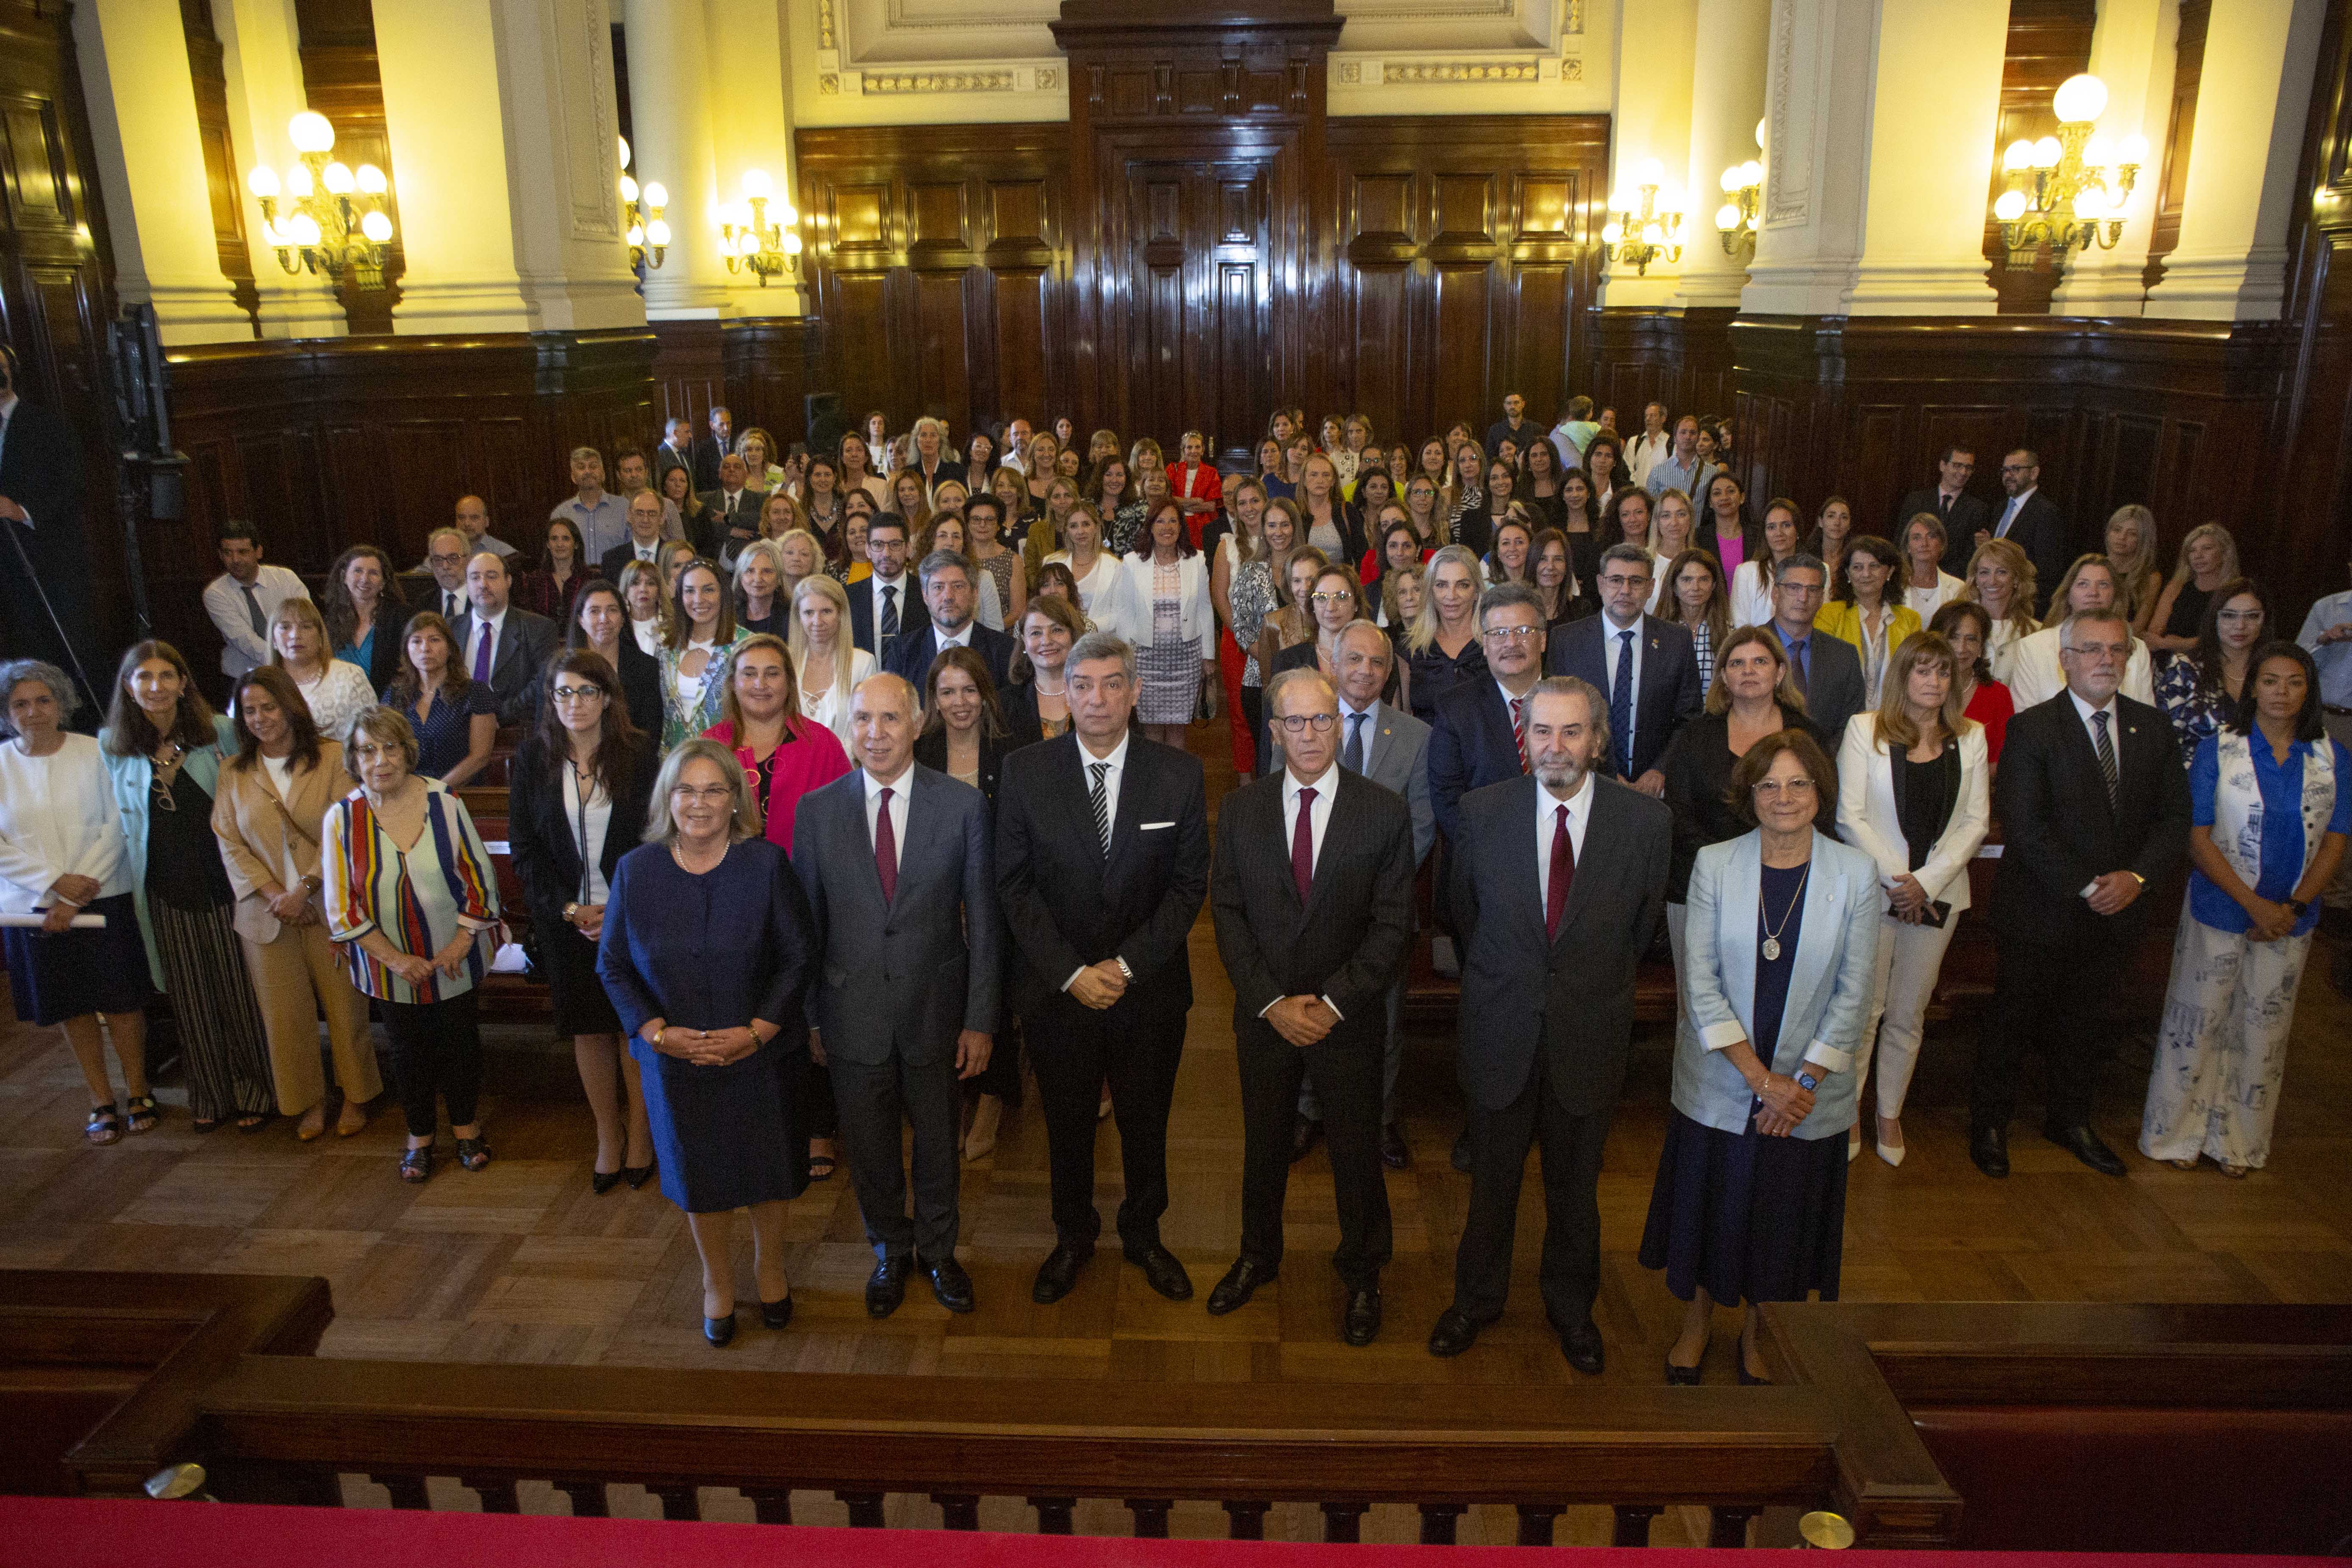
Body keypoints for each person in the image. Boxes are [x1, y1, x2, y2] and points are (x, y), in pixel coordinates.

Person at [1430, 677, 1671, 1370]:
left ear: (1596, 740)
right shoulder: (1480, 813)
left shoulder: (1645, 824)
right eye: (1541, 731)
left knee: (1573, 1192)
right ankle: (1473, 1301)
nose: (1555, 746)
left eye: (1571, 732)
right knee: (1491, 1186)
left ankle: (1572, 1310)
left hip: (1588, 1031)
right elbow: (1462, 913)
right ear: (1524, 738)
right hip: (1498, 1026)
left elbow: (1639, 928)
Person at [1641, 730, 1879, 1384]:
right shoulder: (1715, 863)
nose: (1783, 796)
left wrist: (1798, 1083)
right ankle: (1694, 1324)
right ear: (1748, 794)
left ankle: (1756, 1332)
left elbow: (1855, 992)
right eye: (1768, 784)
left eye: (1798, 783)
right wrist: (1759, 1080)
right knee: (1709, 1205)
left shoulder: (1854, 873)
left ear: (1819, 792)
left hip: (1808, 1088)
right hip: (1724, 1077)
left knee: (1780, 1217)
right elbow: (1701, 982)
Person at [997, 632, 1209, 1307]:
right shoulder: (1027, 771)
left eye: (1112, 683)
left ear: (1135, 691)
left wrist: (1120, 965)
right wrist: (1070, 973)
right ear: (1066, 691)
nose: (1096, 697)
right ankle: (1072, 1235)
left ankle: (1144, 1233)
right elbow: (1015, 887)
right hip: (1058, 993)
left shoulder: (1177, 775)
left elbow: (1187, 887)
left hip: (1146, 990)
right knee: (1064, 1122)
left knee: (1147, 1121)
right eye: (1082, 684)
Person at [1206, 667, 1414, 1343]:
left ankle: (1362, 1273)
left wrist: (1330, 1002)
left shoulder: (1382, 809)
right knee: (1264, 1145)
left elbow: (1391, 928)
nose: (1308, 733)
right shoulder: (1241, 810)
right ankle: (1257, 1256)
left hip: (1346, 1020)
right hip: (1264, 1017)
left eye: (1321, 719)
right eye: (1293, 721)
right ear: (1273, 730)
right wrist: (1270, 1001)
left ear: (1340, 723)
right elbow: (1228, 913)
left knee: (1355, 1154)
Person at [791, 672, 999, 1316]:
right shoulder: (818, 811)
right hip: (850, 1015)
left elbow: (985, 921)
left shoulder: (960, 807)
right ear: (848, 728)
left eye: (889, 719)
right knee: (873, 1148)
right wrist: (811, 1020)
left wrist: (980, 1018)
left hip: (937, 1013)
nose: (874, 734)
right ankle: (888, 1248)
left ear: (916, 723)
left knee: (939, 1143)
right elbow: (807, 929)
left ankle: (939, 1251)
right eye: (862, 720)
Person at [598, 737, 817, 1344]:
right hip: (676, 1062)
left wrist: (756, 1031)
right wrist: (657, 1034)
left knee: (769, 1172)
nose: (698, 802)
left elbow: (798, 959)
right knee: (701, 1177)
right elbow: (613, 965)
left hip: (762, 1056)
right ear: (668, 798)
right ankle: (716, 1280)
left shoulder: (767, 864)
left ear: (735, 799)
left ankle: (769, 1268)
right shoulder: (635, 871)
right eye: (686, 790)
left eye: (713, 789)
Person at [1971, 608, 2191, 1180]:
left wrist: (2134, 880)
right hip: (2041, 907)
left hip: (2119, 911)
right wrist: (2089, 884)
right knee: (2011, 1019)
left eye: (2116, 650)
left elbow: (2173, 820)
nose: (2104, 660)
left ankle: (2069, 1119)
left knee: (2086, 1022)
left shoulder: (2153, 727)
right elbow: (2024, 823)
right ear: (2064, 659)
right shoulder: (2032, 727)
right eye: (2091, 649)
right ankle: (1990, 1123)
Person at [2141, 642, 2346, 1175]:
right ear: (2252, 686)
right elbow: (2198, 836)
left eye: (2294, 682)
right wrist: (2254, 903)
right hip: (2221, 907)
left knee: (2263, 1032)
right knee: (2199, 1022)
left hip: (2290, 919)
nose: (2282, 693)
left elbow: (2335, 842)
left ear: (2309, 690)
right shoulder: (2219, 748)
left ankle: (2237, 1142)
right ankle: (2176, 1135)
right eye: (2271, 681)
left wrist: (2291, 907)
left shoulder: (2330, 756)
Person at [100, 641, 276, 1133]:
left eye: (166, 675)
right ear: (129, 688)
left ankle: (255, 1090)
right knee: (191, 1000)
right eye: (144, 677)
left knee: (239, 993)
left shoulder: (219, 731)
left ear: (183, 683)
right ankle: (210, 1094)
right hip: (163, 890)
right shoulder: (113, 747)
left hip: (225, 885)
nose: (155, 686)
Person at [321, 706, 503, 1181]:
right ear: (353, 759)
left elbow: (479, 879)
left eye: (390, 747)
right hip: (388, 967)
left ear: (407, 751)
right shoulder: (342, 819)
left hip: (454, 958)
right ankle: (419, 1135)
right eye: (367, 750)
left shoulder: (445, 801)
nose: (380, 760)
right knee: (408, 1050)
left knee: (460, 1043)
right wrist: (397, 960)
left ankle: (466, 1127)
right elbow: (342, 907)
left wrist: (461, 942)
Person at [1835, 631, 1991, 1167]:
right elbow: (1848, 815)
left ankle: (1889, 1111)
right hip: (1875, 893)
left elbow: (1976, 822)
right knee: (1863, 1009)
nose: (1933, 681)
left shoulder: (1970, 736)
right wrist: (1900, 880)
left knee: (1908, 1011)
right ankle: (1849, 1108)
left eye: (1942, 672)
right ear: (1902, 677)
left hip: (1940, 896)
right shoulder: (1866, 729)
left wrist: (1927, 882)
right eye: (1921, 670)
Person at [508, 652, 660, 1193]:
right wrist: (570, 909)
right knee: (588, 1029)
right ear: (550, 701)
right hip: (565, 921)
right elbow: (525, 849)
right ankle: (608, 1137)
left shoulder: (640, 754)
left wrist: (615, 908)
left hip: (631, 917)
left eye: (587, 691)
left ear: (608, 697)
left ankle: (643, 1137)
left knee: (632, 1029)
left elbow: (655, 838)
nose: (575, 703)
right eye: (564, 692)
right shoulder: (531, 759)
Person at [212, 666, 382, 1142]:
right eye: (250, 710)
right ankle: (308, 1099)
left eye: (270, 706)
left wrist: (305, 889)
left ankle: (356, 1094)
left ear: (291, 705)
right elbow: (228, 840)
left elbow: (349, 830)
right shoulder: (233, 770)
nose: (261, 717)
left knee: (345, 1007)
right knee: (284, 1016)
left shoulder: (330, 758)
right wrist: (275, 896)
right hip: (265, 915)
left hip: (330, 906)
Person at [0, 659, 156, 1143]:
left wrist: (79, 885)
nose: (33, 712)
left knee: (122, 999)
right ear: (7, 712)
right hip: (33, 906)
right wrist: (53, 885)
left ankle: (138, 1090)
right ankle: (100, 1098)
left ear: (61, 702)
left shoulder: (99, 751)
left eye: (43, 700)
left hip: (104, 894)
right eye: (20, 704)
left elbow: (119, 821)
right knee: (72, 1005)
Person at [1659, 625, 1830, 1008]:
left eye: (1760, 662)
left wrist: (1770, 867)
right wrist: (1735, 868)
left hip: (1788, 886)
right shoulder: (1694, 736)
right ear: (1723, 675)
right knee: (1702, 1006)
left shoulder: (1808, 736)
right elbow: (1679, 815)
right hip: (1702, 886)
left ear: (1780, 672)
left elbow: (1824, 811)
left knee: (1775, 1005)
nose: (1748, 670)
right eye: (1736, 663)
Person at [1545, 544, 1705, 796]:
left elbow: (1690, 718)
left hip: (1655, 791)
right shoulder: (1566, 641)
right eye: (1616, 580)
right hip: (1585, 785)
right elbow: (1556, 717)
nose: (1625, 591)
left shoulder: (1677, 641)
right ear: (1600, 584)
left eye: (1636, 581)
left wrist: (1661, 770)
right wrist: (1603, 774)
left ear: (1651, 587)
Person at [0, 348, 106, 706]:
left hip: (44, 562)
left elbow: (72, 484)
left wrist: (22, 510)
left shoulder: (44, 423)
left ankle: (71, 719)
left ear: (11, 373)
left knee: (56, 649)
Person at [1430, 583, 1553, 845]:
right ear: (1485, 644)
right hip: (1484, 859)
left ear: (1542, 639)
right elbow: (1448, 801)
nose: (1511, 643)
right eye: (1498, 633)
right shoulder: (1455, 709)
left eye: (1523, 631)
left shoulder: (1573, 700)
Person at [1105, 501, 1217, 748]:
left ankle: (1175, 785)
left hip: (1186, 657)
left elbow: (1205, 609)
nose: (1167, 527)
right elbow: (1125, 612)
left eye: (1173, 521)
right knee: (1152, 728)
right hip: (1145, 658)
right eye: (1160, 521)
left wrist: (1208, 657)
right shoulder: (1132, 562)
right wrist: (1124, 659)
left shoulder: (1197, 560)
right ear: (1151, 527)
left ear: (1181, 526)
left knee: (1179, 727)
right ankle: (1155, 784)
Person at [2006, 555, 2158, 710]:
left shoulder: (2138, 649)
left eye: (2103, 585)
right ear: (2068, 595)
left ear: (2115, 596)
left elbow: (2147, 719)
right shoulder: (2034, 646)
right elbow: (2026, 718)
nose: (2093, 593)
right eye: (2083, 584)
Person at [2158, 580, 2269, 765]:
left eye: (2251, 616)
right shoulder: (2185, 668)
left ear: (2265, 620)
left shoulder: (2274, 671)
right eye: (2229, 616)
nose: (2240, 626)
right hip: (2197, 779)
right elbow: (2166, 741)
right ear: (2214, 619)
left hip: (2263, 780)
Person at [382, 613, 499, 787]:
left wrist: (435, 791)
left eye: (434, 640)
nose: (425, 648)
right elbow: (383, 748)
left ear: (450, 648)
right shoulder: (394, 695)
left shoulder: (475, 693)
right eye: (416, 641)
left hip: (459, 794)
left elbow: (479, 757)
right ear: (406, 649)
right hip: (405, 792)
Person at [1761, 555, 1866, 742]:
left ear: (1822, 598)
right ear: (1775, 594)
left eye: (1813, 589)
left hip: (1824, 765)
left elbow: (1851, 728)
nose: (1803, 598)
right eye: (1794, 588)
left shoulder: (1844, 656)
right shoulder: (1749, 648)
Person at [882, 548, 1017, 693]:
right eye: (938, 587)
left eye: (958, 586)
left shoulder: (1006, 651)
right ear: (925, 596)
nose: (948, 596)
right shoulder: (903, 651)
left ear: (975, 593)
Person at [452, 552, 560, 726]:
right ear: (467, 583)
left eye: (492, 576)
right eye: (475, 578)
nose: (483, 585)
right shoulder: (450, 629)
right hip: (456, 731)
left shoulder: (539, 628)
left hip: (515, 731)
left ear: (508, 581)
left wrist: (496, 717)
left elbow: (543, 683)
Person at [1815, 535, 1920, 709]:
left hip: (1896, 718)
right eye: (1858, 567)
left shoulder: (1910, 620)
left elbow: (1915, 676)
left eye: (1874, 566)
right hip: (1843, 717)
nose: (1866, 574)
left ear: (1890, 572)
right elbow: (1822, 674)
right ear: (1848, 573)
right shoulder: (1829, 615)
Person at [203, 522, 311, 689]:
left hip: (295, 668)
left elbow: (307, 623)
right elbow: (245, 641)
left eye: (243, 552)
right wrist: (287, 661)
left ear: (258, 552)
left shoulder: (286, 579)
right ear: (220, 555)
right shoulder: (216, 593)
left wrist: (297, 661)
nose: (236, 560)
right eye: (228, 553)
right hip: (243, 678)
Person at [659, 558, 745, 748]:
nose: (699, 599)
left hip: (728, 761)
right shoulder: (666, 648)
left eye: (708, 590)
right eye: (690, 591)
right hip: (675, 765)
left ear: (723, 594)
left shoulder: (746, 646)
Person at [267, 597, 374, 745]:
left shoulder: (350, 676)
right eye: (285, 627)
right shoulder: (259, 684)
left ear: (320, 637)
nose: (295, 635)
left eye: (306, 627)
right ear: (273, 639)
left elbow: (373, 735)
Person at [790, 573, 875, 753]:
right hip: (793, 771)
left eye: (826, 612)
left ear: (840, 615)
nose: (817, 621)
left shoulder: (863, 663)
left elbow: (868, 729)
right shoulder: (785, 663)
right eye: (809, 613)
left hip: (845, 770)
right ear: (799, 617)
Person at [1403, 544, 1489, 722]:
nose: (1451, 595)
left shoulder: (1495, 643)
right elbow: (1402, 720)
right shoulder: (1409, 647)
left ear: (1476, 592)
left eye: (1462, 585)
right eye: (1441, 585)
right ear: (1430, 591)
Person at [568, 581, 662, 741]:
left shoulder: (647, 668)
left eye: (612, 610)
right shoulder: (561, 670)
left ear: (623, 618)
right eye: (594, 611)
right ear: (580, 621)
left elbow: (651, 735)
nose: (604, 619)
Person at [1929, 600, 2015, 766]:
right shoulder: (1920, 689)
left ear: (1982, 646)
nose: (1962, 648)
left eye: (1971, 639)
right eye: (1953, 638)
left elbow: (2002, 761)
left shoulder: (1998, 695)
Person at [1986, 450, 2069, 608]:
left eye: (2016, 469)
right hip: (1995, 598)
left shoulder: (2046, 512)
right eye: (2005, 470)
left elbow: (2048, 571)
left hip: (2023, 605)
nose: (2008, 475)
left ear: (2034, 473)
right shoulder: (2000, 507)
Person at [2146, 523, 2242, 658]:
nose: (2198, 556)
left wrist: (2172, 643)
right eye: (2192, 550)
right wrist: (2169, 643)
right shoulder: (2177, 586)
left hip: (2208, 663)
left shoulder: (2234, 593)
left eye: (2207, 549)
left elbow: (2220, 640)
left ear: (2224, 553)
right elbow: (2153, 634)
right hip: (2166, 662)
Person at [324, 545, 408, 695]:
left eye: (374, 573)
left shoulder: (401, 617)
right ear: (344, 577)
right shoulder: (329, 620)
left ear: (383, 582)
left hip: (388, 708)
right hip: (341, 704)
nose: (365, 579)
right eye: (358, 571)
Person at [1895, 446, 1991, 578]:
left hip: (1955, 582)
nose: (1963, 472)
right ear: (1943, 466)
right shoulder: (1916, 501)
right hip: (1913, 576)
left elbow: (1971, 554)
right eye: (1957, 466)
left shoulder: (1978, 509)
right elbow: (1902, 542)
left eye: (1969, 468)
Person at [1002, 595, 1083, 745]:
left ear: (1073, 636)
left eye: (1057, 630)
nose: (1046, 641)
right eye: (1036, 633)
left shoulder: (1097, 694)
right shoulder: (1005, 704)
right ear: (1024, 641)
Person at [1964, 537, 2040, 686]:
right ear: (1975, 579)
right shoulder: (1955, 622)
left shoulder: (2035, 631)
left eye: (2002, 572)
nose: (1992, 581)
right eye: (1984, 572)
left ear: (2017, 579)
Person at [1660, 548, 1731, 697]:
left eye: (1704, 580)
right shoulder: (1658, 633)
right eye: (1687, 580)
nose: (1695, 588)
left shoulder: (1729, 633)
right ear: (1674, 586)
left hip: (1712, 717)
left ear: (1714, 586)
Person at [1729, 502, 1802, 629]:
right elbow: (1740, 626)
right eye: (1771, 527)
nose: (1779, 533)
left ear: (1798, 531)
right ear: (1765, 534)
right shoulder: (1746, 572)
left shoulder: (1819, 570)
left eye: (1786, 525)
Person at [553, 447, 630, 562]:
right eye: (581, 467)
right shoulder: (561, 514)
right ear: (573, 477)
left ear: (603, 475)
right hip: (576, 580)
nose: (588, 471)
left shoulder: (625, 507)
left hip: (616, 579)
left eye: (593, 467)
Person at [517, 515, 592, 625]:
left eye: (566, 539)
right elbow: (527, 619)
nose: (560, 544)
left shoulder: (590, 579)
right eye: (554, 539)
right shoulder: (534, 580)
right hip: (543, 640)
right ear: (548, 544)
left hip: (582, 640)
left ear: (576, 544)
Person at [1896, 512, 1966, 621]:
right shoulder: (1895, 586)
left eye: (1931, 537)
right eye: (1916, 538)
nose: (1924, 543)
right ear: (1908, 547)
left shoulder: (1958, 588)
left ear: (1942, 545)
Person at [697, 454, 764, 563]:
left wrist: (729, 518)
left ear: (746, 474)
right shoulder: (704, 499)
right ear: (720, 474)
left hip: (750, 564)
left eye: (737, 467)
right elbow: (703, 526)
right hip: (713, 564)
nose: (732, 470)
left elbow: (760, 521)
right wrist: (729, 531)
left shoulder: (759, 500)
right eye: (726, 467)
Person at [601, 489, 672, 584]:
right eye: (640, 513)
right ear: (629, 516)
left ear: (662, 518)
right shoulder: (612, 560)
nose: (646, 520)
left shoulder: (674, 557)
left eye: (652, 514)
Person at [415, 527, 473, 624]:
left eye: (453, 558)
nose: (446, 566)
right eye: (438, 559)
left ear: (468, 560)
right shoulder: (423, 604)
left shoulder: (482, 599)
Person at [732, 538, 788, 638]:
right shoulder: (728, 614)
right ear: (740, 577)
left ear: (779, 578)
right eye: (750, 571)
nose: (758, 579)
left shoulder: (791, 615)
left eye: (767, 571)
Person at [1622, 400, 1671, 485]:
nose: (1648, 419)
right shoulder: (1634, 442)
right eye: (1646, 416)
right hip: (1638, 494)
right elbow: (1628, 471)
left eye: (1652, 416)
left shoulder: (1671, 443)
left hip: (1661, 496)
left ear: (1663, 419)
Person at [691, 406, 733, 493]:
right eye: (722, 424)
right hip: (715, 497)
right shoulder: (704, 448)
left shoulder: (740, 443)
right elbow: (702, 481)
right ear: (712, 425)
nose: (726, 428)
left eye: (728, 423)